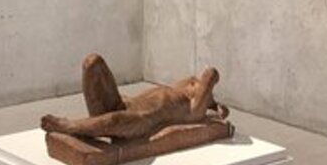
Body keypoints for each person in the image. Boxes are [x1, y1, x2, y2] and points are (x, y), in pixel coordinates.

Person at [40, 53, 228, 141]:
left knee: (114, 120)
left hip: (139, 120)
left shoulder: (193, 109)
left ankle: (69, 126)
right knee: (93, 62)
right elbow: (201, 82)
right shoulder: (181, 90)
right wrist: (214, 104)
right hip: (122, 103)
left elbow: (211, 73)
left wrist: (212, 103)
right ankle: (92, 124)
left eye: (198, 86)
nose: (194, 82)